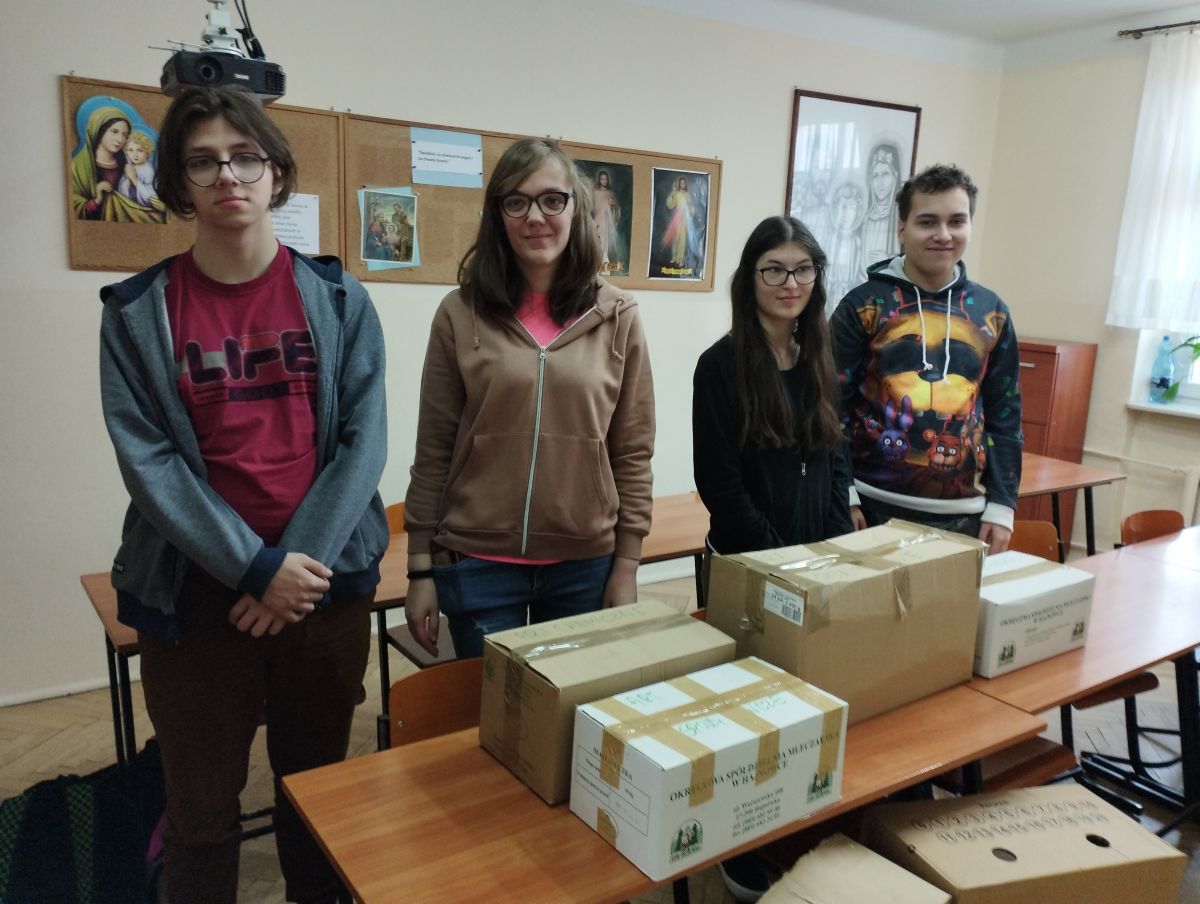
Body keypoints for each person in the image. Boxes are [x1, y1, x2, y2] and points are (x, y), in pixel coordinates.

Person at [98, 85, 388, 904]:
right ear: (179, 183)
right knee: (200, 816)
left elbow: (363, 443)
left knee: (317, 800)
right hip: (196, 602)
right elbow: (148, 461)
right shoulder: (137, 313)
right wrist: (254, 569)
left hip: (322, 593)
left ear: (277, 174)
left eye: (245, 157)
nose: (228, 175)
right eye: (204, 161)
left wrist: (294, 566)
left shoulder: (339, 298)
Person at [404, 138, 655, 660]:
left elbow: (632, 450)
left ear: (576, 208)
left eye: (551, 200)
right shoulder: (460, 313)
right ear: (498, 214)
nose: (535, 217)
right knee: (491, 707)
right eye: (516, 201)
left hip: (584, 564)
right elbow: (434, 447)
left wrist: (627, 565)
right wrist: (419, 568)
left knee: (570, 705)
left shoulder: (618, 316)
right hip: (478, 560)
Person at [830, 164, 1022, 553]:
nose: (943, 234)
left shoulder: (992, 312)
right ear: (902, 229)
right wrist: (842, 493)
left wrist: (1003, 505)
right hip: (870, 506)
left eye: (957, 221)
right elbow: (829, 408)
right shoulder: (864, 305)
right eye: (928, 221)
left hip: (965, 515)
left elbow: (1005, 415)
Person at [693, 215, 853, 558]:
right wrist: (780, 558)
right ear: (750, 278)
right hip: (748, 558)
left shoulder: (818, 357)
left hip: (818, 557)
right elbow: (719, 484)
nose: (791, 283)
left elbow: (835, 457)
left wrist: (835, 544)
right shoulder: (718, 366)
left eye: (803, 269)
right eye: (774, 270)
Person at [70, 104, 164, 223]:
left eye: (124, 135)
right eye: (114, 132)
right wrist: (96, 200)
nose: (120, 139)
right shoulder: (78, 167)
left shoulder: (129, 164)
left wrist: (162, 207)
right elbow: (74, 209)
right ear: (98, 130)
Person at [858, 142, 901, 277]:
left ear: (895, 176)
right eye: (875, 175)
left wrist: (887, 259)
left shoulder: (900, 217)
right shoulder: (865, 217)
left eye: (886, 174)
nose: (880, 182)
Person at [118, 129, 161, 209]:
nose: (135, 154)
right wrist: (128, 180)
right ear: (126, 152)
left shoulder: (148, 170)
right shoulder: (130, 168)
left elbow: (152, 198)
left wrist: (134, 179)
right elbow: (122, 192)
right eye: (131, 150)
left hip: (145, 209)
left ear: (147, 152)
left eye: (140, 150)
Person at [662, 175, 694, 267]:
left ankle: (680, 258)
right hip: (676, 218)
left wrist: (690, 211)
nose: (682, 185)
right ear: (679, 184)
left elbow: (690, 206)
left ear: (685, 185)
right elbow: (670, 205)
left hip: (684, 219)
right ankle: (675, 257)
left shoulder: (687, 195)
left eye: (684, 183)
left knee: (682, 239)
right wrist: (672, 193)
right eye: (681, 183)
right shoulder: (676, 194)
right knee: (675, 238)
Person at [591, 169, 621, 267]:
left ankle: (603, 266)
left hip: (607, 222)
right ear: (599, 180)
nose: (603, 181)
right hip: (597, 220)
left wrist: (613, 205)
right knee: (595, 241)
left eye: (605, 179)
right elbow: (591, 206)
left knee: (605, 243)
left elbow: (616, 208)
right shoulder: (594, 192)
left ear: (608, 180)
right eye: (602, 179)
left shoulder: (610, 193)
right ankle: (594, 264)